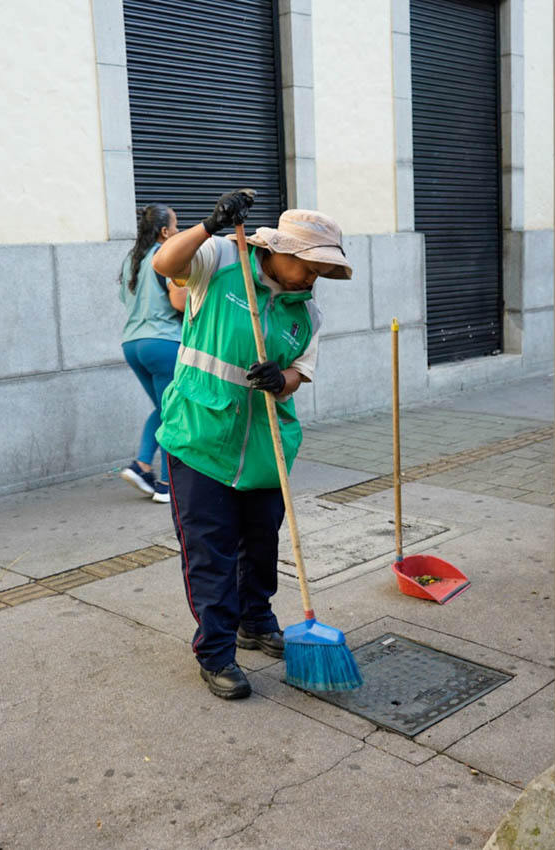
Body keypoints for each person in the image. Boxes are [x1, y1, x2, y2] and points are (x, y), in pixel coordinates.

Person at [151, 189, 352, 700]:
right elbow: (164, 263)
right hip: (199, 437)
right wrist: (208, 224)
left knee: (261, 545)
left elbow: (300, 372)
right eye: (307, 265)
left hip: (265, 448)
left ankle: (255, 620)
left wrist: (280, 380)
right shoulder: (221, 261)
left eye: (321, 271)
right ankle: (216, 652)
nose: (312, 278)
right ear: (278, 250)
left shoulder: (307, 315)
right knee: (211, 553)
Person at [119, 203, 185, 503]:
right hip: (163, 343)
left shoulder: (131, 259)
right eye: (176, 226)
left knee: (162, 408)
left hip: (133, 344)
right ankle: (167, 484)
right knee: (173, 412)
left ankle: (142, 466)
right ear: (165, 231)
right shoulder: (165, 256)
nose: (179, 231)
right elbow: (179, 302)